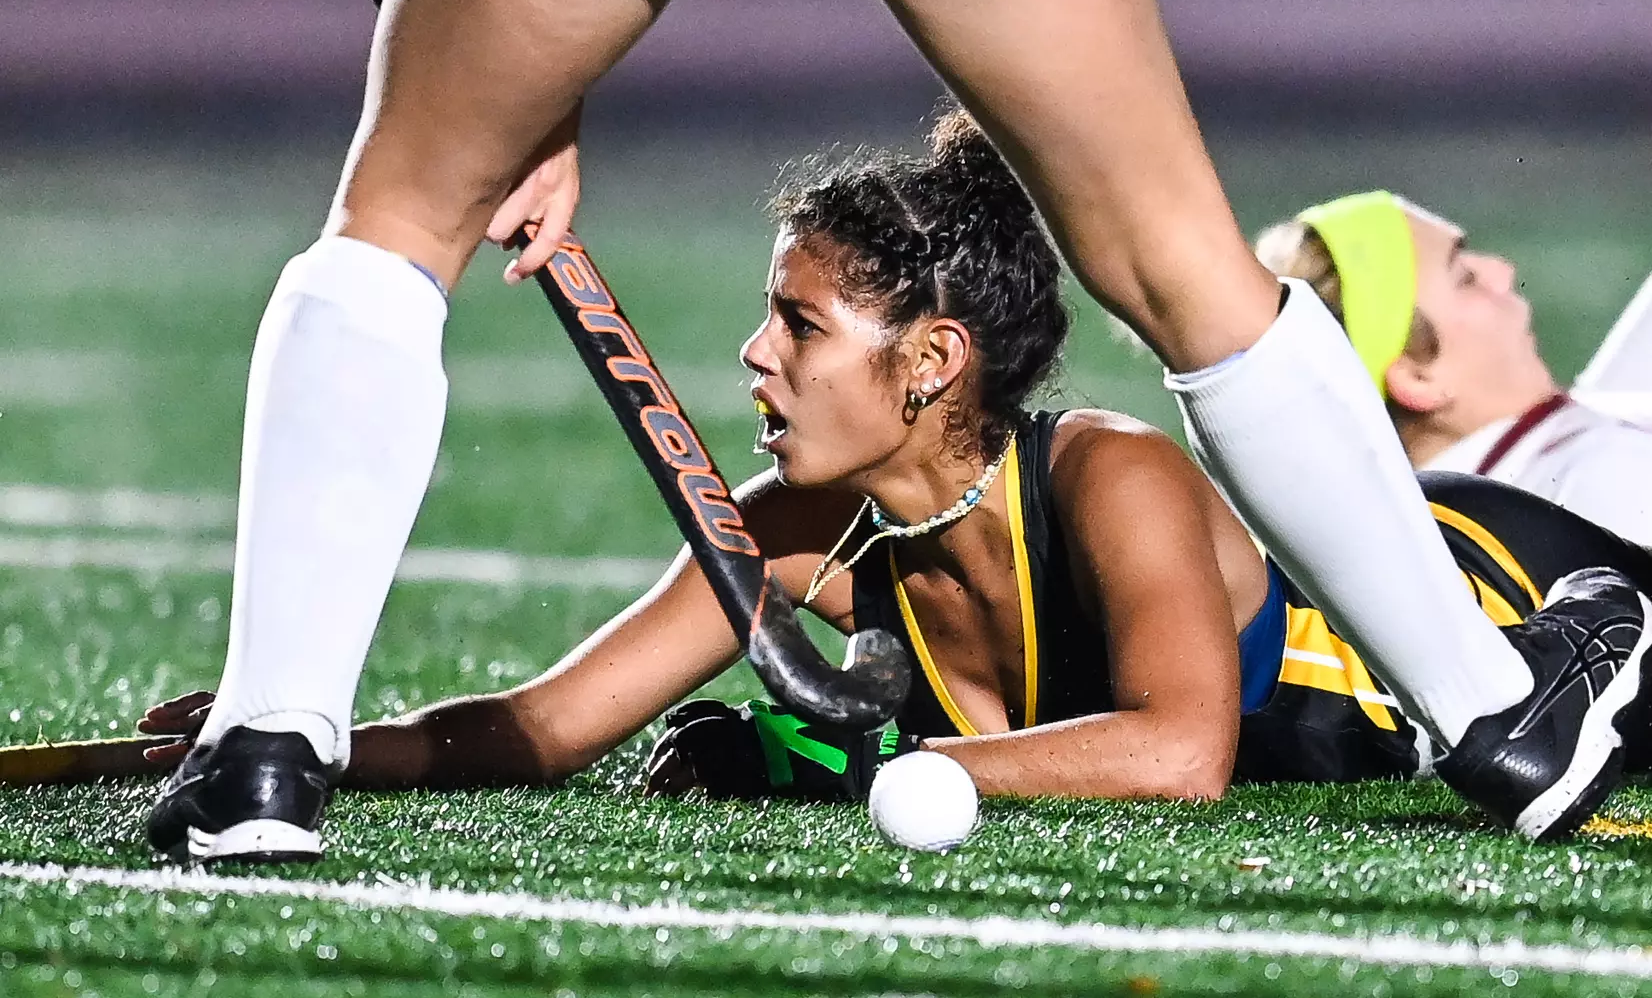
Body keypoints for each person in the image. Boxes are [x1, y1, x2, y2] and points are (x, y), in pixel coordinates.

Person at [144, 117, 1652, 861]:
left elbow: (1179, 752)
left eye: (799, 325)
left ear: (930, 361)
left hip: (1536, 592)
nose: (752, 356)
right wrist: (305, 725)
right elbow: (544, 728)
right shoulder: (805, 526)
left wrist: (866, 770)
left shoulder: (1107, 473)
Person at [1256, 192, 1652, 547]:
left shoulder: (1543, 462)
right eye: (1465, 278)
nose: (1503, 270)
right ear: (1419, 380)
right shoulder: (1594, 491)